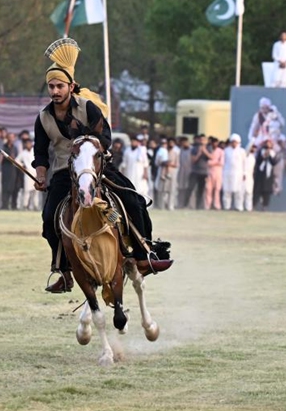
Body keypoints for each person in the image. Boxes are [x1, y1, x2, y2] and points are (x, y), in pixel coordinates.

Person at [32, 38, 172, 293]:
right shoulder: (42, 118)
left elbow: (106, 138)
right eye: (51, 86)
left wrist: (87, 144)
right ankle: (63, 271)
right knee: (48, 220)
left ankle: (144, 254)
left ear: (71, 86)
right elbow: (40, 152)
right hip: (65, 172)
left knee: (133, 201)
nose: (54, 91)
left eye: (59, 86)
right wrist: (41, 175)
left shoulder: (88, 108)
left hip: (97, 168)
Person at [222, 134, 246, 211]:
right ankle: (227, 206)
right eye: (232, 142)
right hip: (227, 173)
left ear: (238, 142)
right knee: (227, 190)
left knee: (239, 191)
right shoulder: (226, 150)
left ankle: (238, 207)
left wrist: (244, 173)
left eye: (235, 142)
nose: (234, 143)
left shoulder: (242, 151)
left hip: (239, 173)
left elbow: (244, 163)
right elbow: (223, 162)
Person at [253, 138, 278, 211]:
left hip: (268, 176)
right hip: (260, 175)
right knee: (257, 191)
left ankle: (264, 206)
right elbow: (258, 162)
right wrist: (264, 156)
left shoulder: (273, 153)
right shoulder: (261, 151)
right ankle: (254, 205)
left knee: (266, 192)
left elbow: (273, 162)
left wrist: (269, 155)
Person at [187, 134, 211, 209]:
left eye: (204, 140)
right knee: (190, 188)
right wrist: (199, 153)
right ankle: (185, 204)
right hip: (195, 171)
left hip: (204, 172)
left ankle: (198, 206)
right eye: (201, 140)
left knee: (201, 190)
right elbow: (193, 160)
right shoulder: (194, 148)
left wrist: (204, 151)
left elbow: (211, 157)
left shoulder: (209, 148)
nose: (202, 141)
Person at [18, 137, 42, 211]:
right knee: (27, 191)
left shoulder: (35, 151)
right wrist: (22, 166)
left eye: (29, 143)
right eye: (27, 143)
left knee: (36, 191)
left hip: (36, 173)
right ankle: (25, 206)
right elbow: (17, 160)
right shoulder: (23, 153)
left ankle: (36, 206)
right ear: (25, 144)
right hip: (28, 173)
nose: (28, 145)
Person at [158, 137, 180, 211]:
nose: (171, 144)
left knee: (171, 190)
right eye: (169, 143)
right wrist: (164, 163)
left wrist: (169, 164)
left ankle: (170, 206)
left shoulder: (175, 153)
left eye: (172, 143)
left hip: (172, 173)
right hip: (163, 172)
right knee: (163, 190)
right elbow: (158, 162)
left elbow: (177, 164)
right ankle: (162, 206)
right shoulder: (163, 151)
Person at [204, 136, 224, 210]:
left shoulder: (221, 151)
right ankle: (207, 205)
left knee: (217, 189)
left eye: (216, 143)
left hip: (218, 172)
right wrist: (212, 162)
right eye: (213, 143)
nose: (215, 144)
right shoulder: (209, 150)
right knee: (208, 189)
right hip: (209, 172)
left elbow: (221, 163)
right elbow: (206, 162)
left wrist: (211, 162)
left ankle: (217, 205)